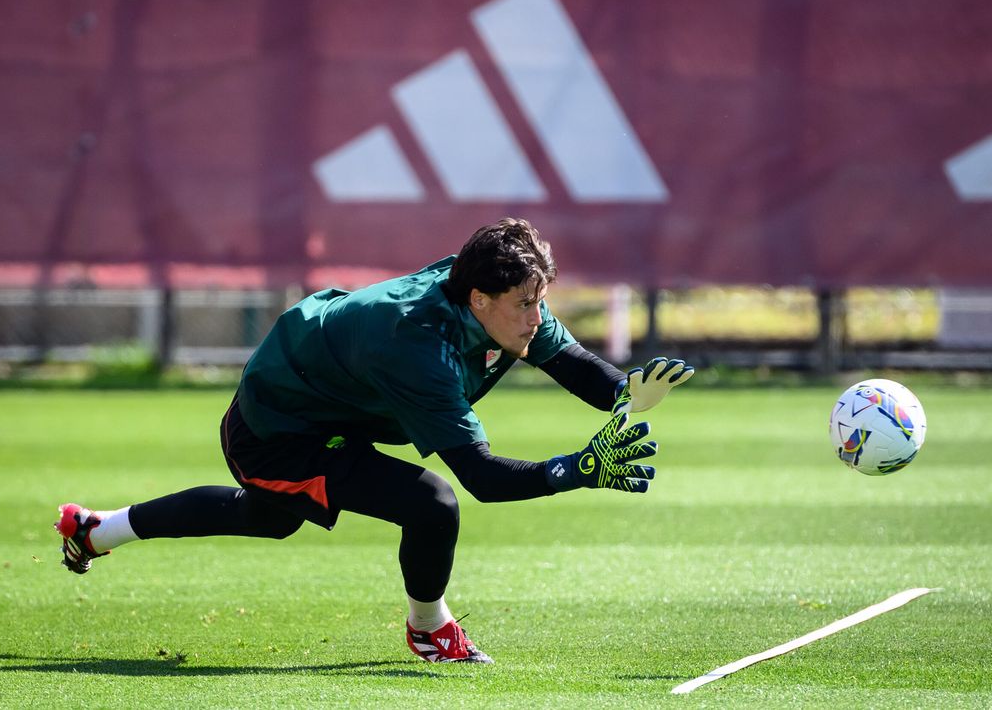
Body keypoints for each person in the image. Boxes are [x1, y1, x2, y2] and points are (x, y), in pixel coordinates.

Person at [54, 218, 694, 664]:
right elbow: (483, 480)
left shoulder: (492, 296)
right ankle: (429, 629)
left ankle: (94, 530)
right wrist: (579, 468)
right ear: (479, 299)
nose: (538, 316)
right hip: (281, 431)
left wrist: (624, 394)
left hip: (328, 397)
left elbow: (570, 361)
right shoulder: (418, 348)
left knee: (268, 519)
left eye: (540, 300)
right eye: (527, 304)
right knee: (432, 503)